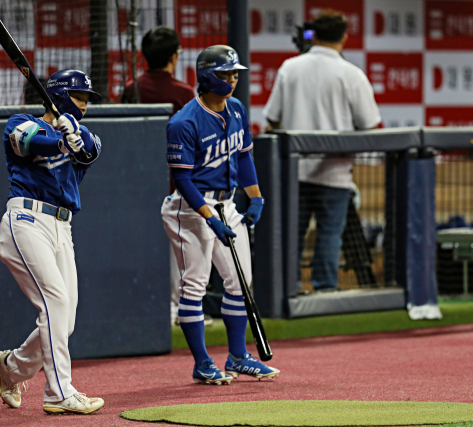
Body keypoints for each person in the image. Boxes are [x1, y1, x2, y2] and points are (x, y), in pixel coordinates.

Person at [161, 45, 280, 385]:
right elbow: (182, 179)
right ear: (207, 77)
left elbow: (243, 158)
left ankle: (239, 356)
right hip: (190, 208)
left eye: (235, 73)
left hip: (227, 205)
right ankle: (202, 363)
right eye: (226, 74)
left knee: (240, 282)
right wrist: (208, 217)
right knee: (195, 286)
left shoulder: (238, 109)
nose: (232, 79)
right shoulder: (183, 122)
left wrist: (255, 197)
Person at [0, 69, 105, 415]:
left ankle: (12, 368)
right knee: (54, 301)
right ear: (58, 96)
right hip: (26, 220)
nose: (85, 105)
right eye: (79, 97)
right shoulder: (21, 121)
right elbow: (25, 142)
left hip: (62, 227)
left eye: (87, 99)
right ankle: (59, 392)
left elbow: (90, 151)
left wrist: (73, 137)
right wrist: (57, 140)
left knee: (64, 318)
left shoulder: (83, 132)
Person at [263, 10, 381, 291]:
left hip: (294, 172)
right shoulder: (351, 74)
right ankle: (325, 289)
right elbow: (372, 127)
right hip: (334, 172)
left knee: (291, 235)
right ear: (344, 37)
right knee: (330, 235)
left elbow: (272, 119)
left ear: (313, 35)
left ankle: (286, 290)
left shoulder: (289, 68)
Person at [122, 26, 206, 326]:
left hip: (138, 179)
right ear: (174, 56)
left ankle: (161, 308)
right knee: (179, 247)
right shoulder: (183, 92)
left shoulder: (132, 87)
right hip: (177, 180)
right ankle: (180, 309)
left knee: (148, 244)